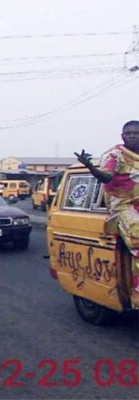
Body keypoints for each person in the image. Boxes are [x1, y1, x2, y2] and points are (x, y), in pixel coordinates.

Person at [75, 120, 139, 304]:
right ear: (122, 136)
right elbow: (106, 176)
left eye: (136, 133)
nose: (133, 137)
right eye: (129, 134)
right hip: (123, 207)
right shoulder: (115, 155)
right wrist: (91, 167)